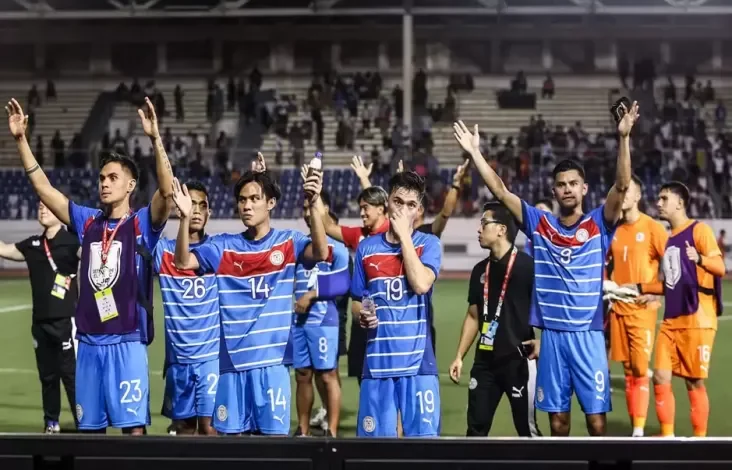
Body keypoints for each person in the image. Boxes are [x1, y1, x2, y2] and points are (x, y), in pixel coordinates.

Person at [452, 100, 638, 436]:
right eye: (561, 184)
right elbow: (500, 191)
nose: (567, 189)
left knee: (597, 422)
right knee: (558, 422)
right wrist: (476, 154)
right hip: (551, 339)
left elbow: (622, 188)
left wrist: (623, 138)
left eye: (573, 183)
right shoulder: (540, 224)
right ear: (554, 191)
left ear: (583, 188)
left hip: (588, 337)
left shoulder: (599, 223)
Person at [6, 97, 174, 434]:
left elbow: (167, 193)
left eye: (113, 177)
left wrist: (155, 140)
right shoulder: (88, 222)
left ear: (130, 185)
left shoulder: (141, 224)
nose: (104, 182)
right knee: (89, 433)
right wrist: (21, 140)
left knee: (133, 432)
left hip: (127, 341)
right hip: (89, 343)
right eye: (101, 177)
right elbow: (44, 189)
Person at [171, 169, 329, 436]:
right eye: (242, 200)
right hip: (232, 366)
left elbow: (322, 252)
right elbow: (183, 262)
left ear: (271, 203)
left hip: (272, 365)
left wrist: (314, 203)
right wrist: (184, 220)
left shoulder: (288, 242)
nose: (247, 205)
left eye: (255, 199)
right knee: (234, 450)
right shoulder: (224, 246)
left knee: (272, 449)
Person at [351, 171, 442, 437]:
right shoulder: (367, 249)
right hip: (378, 364)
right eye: (398, 202)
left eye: (411, 205)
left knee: (423, 450)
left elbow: (421, 284)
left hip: (419, 366)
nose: (403, 210)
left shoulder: (429, 244)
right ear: (388, 203)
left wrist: (404, 237)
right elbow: (358, 301)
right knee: (373, 453)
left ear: (419, 210)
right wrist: (363, 316)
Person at [634, 182, 725, 438]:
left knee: (693, 381)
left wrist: (700, 259)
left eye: (664, 198)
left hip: (698, 318)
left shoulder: (700, 230)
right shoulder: (671, 239)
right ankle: (667, 436)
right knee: (660, 377)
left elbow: (719, 266)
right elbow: (672, 283)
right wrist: (644, 287)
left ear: (680, 202)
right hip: (671, 320)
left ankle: (699, 440)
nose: (659, 203)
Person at [448, 201, 541, 437]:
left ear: (501, 229)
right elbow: (473, 316)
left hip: (519, 361)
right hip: (485, 363)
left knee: (526, 429)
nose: (478, 229)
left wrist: (543, 342)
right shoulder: (480, 270)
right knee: (475, 430)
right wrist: (459, 355)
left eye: (484, 223)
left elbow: (548, 310)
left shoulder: (528, 267)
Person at [0, 202, 80, 433]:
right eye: (40, 207)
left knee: (71, 377)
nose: (42, 209)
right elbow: (5, 249)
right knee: (47, 376)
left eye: (48, 206)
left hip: (66, 322)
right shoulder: (33, 244)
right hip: (40, 323)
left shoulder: (72, 241)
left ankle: (84, 425)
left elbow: (92, 256)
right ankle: (51, 423)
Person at [154, 180, 219, 436]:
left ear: (209, 212)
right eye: (190, 205)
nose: (196, 211)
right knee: (183, 428)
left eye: (202, 205)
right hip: (178, 360)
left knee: (210, 427)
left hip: (210, 357)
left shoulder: (216, 248)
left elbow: (184, 262)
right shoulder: (163, 251)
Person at [606, 175, 667, 437]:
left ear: (639, 196)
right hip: (618, 310)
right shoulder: (613, 229)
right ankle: (637, 428)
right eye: (620, 190)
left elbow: (674, 269)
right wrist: (607, 285)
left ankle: (640, 433)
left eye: (628, 190)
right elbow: (604, 266)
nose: (623, 194)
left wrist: (658, 294)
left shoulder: (653, 228)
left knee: (641, 369)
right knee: (629, 369)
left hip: (642, 310)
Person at [293, 189, 350, 437]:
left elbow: (342, 283)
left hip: (324, 320)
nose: (308, 214)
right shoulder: (300, 245)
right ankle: (303, 430)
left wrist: (311, 294)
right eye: (305, 209)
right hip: (297, 321)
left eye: (313, 208)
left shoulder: (337, 248)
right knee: (302, 375)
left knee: (328, 375)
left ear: (325, 210)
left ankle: (332, 431)